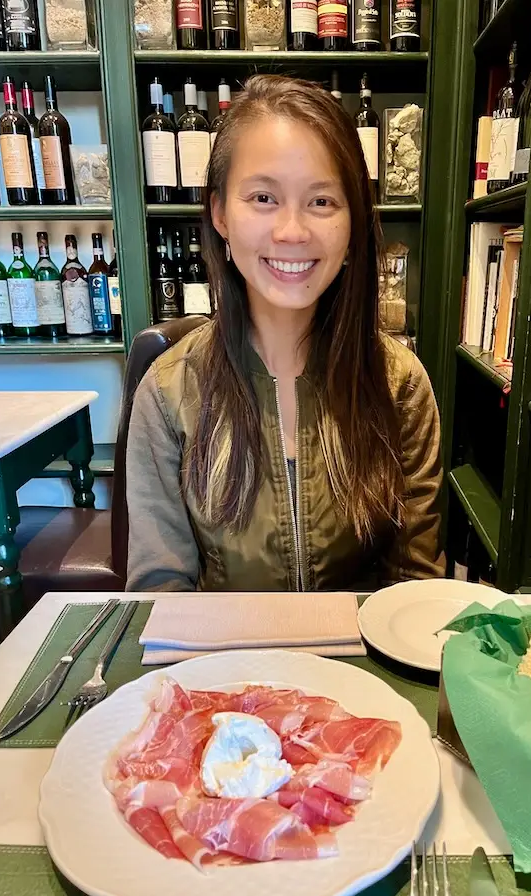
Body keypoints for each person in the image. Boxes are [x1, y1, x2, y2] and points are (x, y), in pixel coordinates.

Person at [125, 74, 445, 593]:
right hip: (225, 668)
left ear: (354, 222)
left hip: (355, 667)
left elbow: (413, 587)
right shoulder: (167, 393)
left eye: (322, 202)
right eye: (263, 198)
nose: (292, 231)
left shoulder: (400, 385)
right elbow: (162, 594)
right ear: (220, 214)